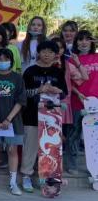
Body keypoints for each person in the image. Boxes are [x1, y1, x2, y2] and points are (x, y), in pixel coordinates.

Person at [20, 40, 67, 192]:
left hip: (52, 118)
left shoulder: (58, 72)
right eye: (44, 51)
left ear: (56, 55)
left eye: (51, 52)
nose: (47, 54)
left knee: (49, 150)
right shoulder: (30, 71)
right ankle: (26, 176)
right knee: (30, 148)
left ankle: (46, 178)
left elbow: (64, 93)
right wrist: (39, 90)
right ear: (38, 53)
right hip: (31, 116)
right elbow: (23, 94)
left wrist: (57, 91)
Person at [0, 48, 27, 195]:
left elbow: (21, 100)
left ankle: (13, 182)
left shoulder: (17, 78)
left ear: (11, 61)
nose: (3, 62)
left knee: (12, 150)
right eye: (0, 59)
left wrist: (9, 119)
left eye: (6, 59)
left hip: (13, 121)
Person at [52, 37, 87, 174]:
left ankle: (67, 164)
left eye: (60, 48)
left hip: (64, 104)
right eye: (54, 47)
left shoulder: (67, 65)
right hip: (47, 105)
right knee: (50, 135)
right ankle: (50, 165)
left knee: (66, 136)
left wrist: (77, 63)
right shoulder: (43, 65)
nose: (57, 51)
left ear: (63, 50)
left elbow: (84, 77)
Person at [69, 30, 98, 170]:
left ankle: (94, 167)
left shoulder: (97, 57)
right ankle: (72, 165)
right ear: (76, 43)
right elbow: (68, 83)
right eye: (80, 39)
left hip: (96, 103)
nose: (84, 42)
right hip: (77, 102)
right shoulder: (71, 60)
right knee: (74, 134)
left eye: (87, 39)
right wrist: (77, 93)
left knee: (94, 136)